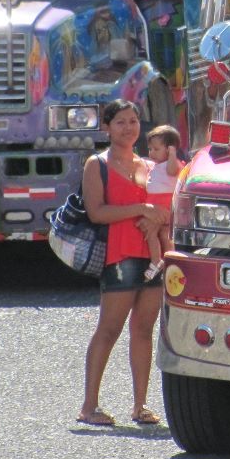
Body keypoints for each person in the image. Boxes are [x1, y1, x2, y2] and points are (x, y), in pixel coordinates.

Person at [78, 99, 168, 427]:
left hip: (153, 256)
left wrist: (156, 218)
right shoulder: (97, 164)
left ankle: (140, 405)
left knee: (144, 330)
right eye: (120, 122)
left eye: (133, 121)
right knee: (109, 329)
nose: (129, 128)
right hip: (119, 255)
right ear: (106, 127)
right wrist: (141, 210)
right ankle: (89, 406)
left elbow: (164, 208)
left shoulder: (149, 165)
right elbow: (97, 212)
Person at [140, 125, 183, 282]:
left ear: (170, 148)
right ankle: (168, 261)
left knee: (152, 233)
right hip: (158, 202)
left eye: (156, 149)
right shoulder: (156, 165)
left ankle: (156, 260)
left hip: (163, 204)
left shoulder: (173, 163)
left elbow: (172, 171)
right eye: (150, 149)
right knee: (163, 235)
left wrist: (172, 155)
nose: (151, 153)